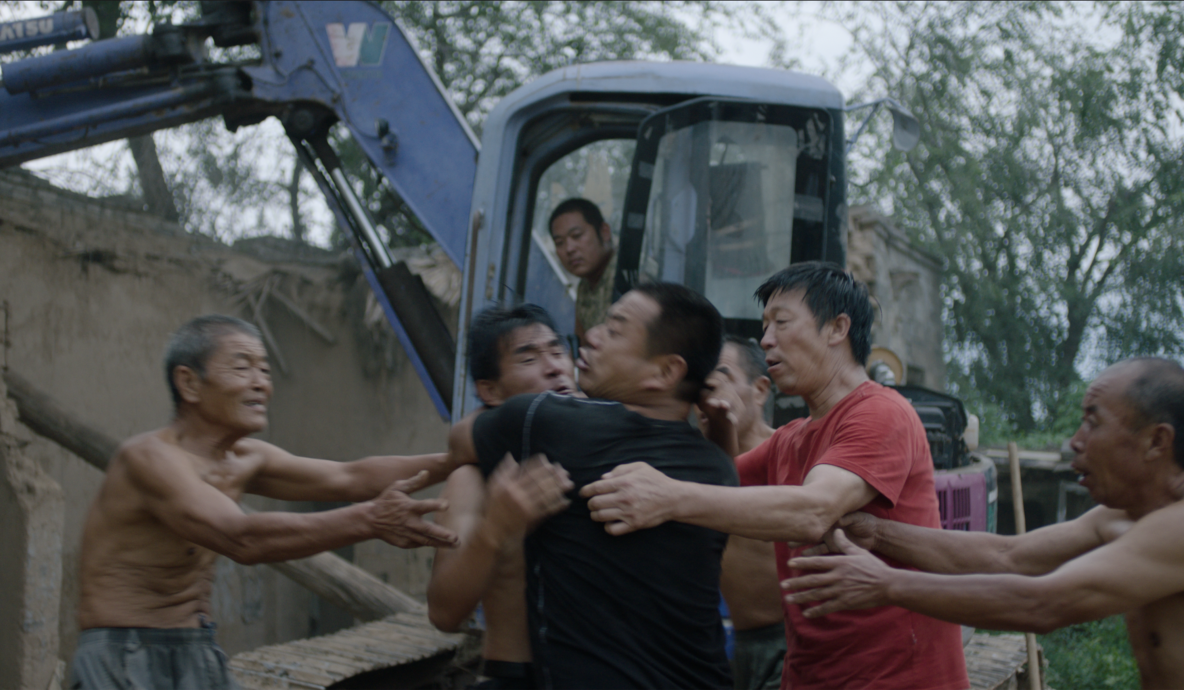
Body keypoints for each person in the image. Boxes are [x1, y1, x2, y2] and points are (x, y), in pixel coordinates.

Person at [581, 262, 968, 690]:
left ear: (837, 328)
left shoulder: (880, 413)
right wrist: (718, 428)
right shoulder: (791, 439)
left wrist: (667, 496)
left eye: (781, 323)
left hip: (898, 677)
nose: (766, 340)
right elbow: (721, 490)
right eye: (765, 326)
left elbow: (812, 511)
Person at [70, 315, 459, 690]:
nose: (261, 384)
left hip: (198, 648)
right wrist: (372, 520)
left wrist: (458, 460)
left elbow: (351, 476)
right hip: (125, 654)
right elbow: (242, 539)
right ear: (189, 384)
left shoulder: (245, 457)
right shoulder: (148, 459)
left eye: (266, 372)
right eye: (242, 368)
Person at [783, 357, 1184, 690]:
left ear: (1157, 442)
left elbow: (1043, 603)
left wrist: (885, 584)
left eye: (1093, 423)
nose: (1075, 441)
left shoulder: (1176, 528)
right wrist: (880, 533)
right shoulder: (1122, 516)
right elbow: (1007, 555)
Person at [458, 282, 737, 690]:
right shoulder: (718, 469)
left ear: (665, 371)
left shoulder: (547, 423)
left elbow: (456, 444)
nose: (591, 336)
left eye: (615, 329)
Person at [427, 304, 578, 690]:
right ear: (489, 390)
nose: (554, 367)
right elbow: (445, 613)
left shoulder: (605, 445)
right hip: (514, 676)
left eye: (558, 351)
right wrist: (496, 529)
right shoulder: (475, 478)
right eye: (528, 357)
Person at [700, 336, 785, 690]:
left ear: (760, 389)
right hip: (735, 643)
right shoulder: (696, 468)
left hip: (790, 639)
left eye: (722, 375)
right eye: (701, 383)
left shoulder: (788, 455)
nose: (711, 390)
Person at [549, 197, 617, 344]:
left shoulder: (625, 273)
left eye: (577, 235)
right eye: (559, 243)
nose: (569, 249)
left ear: (604, 232)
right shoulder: (585, 286)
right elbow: (579, 347)